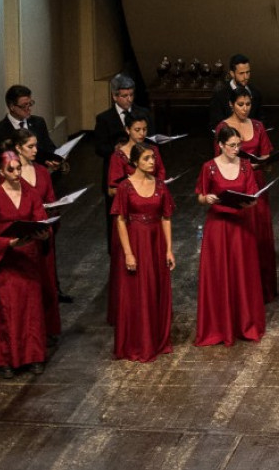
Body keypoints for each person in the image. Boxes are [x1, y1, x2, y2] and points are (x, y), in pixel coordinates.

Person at [0, 150, 52, 378]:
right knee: (8, 309)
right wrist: (10, 242)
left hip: (28, 257)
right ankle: (7, 358)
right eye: (10, 169)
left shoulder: (30, 193)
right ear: (1, 172)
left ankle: (34, 355)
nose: (15, 172)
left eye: (18, 168)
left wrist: (43, 233)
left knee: (31, 308)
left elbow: (41, 218)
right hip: (7, 261)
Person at [195, 126, 265, 346]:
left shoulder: (245, 166)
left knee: (241, 273)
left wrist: (251, 201)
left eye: (239, 145)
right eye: (232, 145)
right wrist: (207, 200)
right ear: (221, 145)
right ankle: (219, 326)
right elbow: (200, 195)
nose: (236, 149)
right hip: (218, 228)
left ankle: (244, 323)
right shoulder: (209, 167)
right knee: (219, 274)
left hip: (240, 226)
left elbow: (253, 194)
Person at [110, 143, 176, 362]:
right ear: (135, 161)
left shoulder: (160, 186)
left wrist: (169, 249)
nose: (152, 162)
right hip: (136, 241)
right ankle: (137, 342)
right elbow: (120, 220)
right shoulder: (125, 187)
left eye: (153, 158)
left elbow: (166, 217)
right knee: (136, 291)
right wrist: (128, 253)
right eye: (147, 158)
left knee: (155, 288)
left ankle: (157, 339)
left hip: (155, 241)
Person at [216, 87, 277, 303]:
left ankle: (262, 288)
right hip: (236, 185)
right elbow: (218, 164)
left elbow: (266, 154)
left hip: (256, 184)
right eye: (240, 104)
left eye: (248, 104)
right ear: (231, 104)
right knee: (241, 236)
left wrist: (263, 163)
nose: (245, 108)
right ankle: (242, 288)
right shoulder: (222, 127)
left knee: (259, 232)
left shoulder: (258, 126)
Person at [105, 112, 164, 325]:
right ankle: (127, 314)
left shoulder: (153, 151)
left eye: (144, 130)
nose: (141, 134)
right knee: (129, 268)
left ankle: (152, 311)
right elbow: (112, 189)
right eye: (137, 130)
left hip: (151, 215)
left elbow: (161, 179)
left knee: (152, 267)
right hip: (129, 218)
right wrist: (131, 187)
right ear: (127, 130)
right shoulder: (118, 156)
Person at [7, 129, 62, 337]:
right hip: (22, 238)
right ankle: (25, 333)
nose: (35, 150)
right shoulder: (11, 173)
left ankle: (46, 331)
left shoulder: (41, 172)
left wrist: (52, 210)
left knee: (45, 283)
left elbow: (50, 198)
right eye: (30, 146)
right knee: (24, 288)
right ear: (18, 148)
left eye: (36, 145)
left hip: (42, 234)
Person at [0, 84, 58, 175]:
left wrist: (52, 160)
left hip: (40, 177)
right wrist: (16, 168)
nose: (29, 109)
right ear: (12, 106)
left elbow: (49, 148)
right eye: (24, 106)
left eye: (30, 104)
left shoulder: (38, 122)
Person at [93, 73, 153, 161]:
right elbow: (99, 148)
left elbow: (153, 140)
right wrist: (115, 149)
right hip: (115, 167)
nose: (129, 99)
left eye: (131, 95)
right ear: (115, 96)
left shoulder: (144, 113)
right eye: (125, 96)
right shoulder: (104, 119)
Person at [208, 54, 265, 127]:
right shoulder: (220, 95)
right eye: (241, 73)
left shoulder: (256, 93)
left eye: (248, 72)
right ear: (232, 73)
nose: (246, 77)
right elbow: (216, 124)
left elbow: (262, 121)